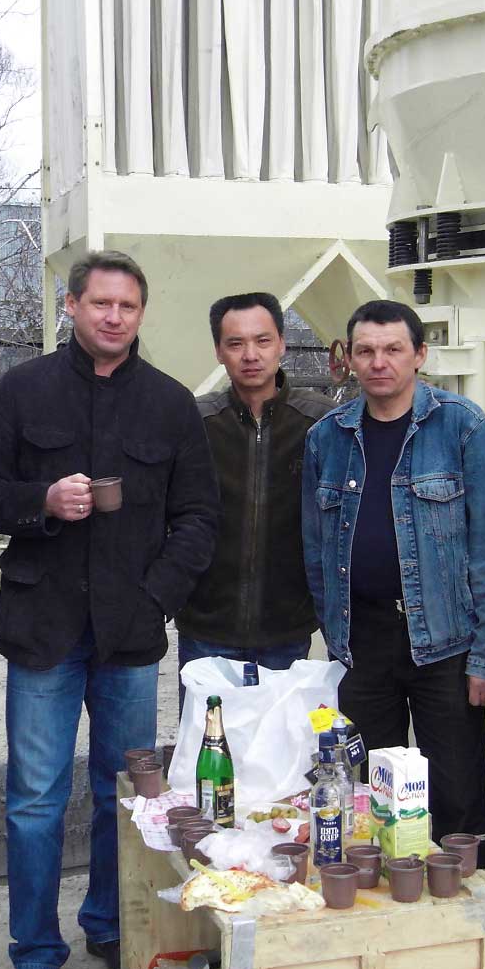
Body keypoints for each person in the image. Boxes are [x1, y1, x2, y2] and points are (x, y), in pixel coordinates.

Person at [0, 251, 219, 969]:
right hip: (43, 629)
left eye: (127, 306)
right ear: (69, 306)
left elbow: (198, 517)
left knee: (125, 798)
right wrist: (41, 499)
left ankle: (110, 927)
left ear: (141, 313)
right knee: (34, 799)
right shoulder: (24, 390)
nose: (112, 317)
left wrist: (157, 593)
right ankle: (35, 955)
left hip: (130, 637)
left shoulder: (171, 405)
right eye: (98, 303)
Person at [302, 299, 485, 839]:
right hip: (362, 642)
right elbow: (316, 550)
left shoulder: (461, 427)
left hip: (446, 640)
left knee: (457, 792)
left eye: (393, 349)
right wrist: (336, 634)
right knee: (375, 793)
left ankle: (463, 900)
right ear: (348, 357)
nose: (378, 362)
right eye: (365, 350)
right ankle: (390, 905)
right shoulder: (326, 438)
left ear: (419, 354)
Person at [177, 292, 333, 683]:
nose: (251, 354)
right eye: (236, 343)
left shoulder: (321, 422)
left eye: (262, 341)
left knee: (279, 743)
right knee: (210, 742)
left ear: (281, 343)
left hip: (288, 629)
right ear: (218, 351)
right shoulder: (197, 422)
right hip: (206, 629)